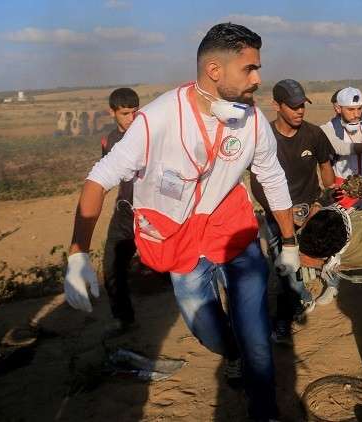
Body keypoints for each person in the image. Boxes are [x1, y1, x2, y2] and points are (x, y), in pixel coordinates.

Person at [62, 23, 297, 421]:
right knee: (207, 329)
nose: (258, 79)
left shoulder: (252, 121)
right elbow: (100, 178)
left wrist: (289, 243)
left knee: (256, 334)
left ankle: (265, 410)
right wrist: (77, 253)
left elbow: (271, 177)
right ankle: (232, 352)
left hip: (233, 233)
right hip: (180, 242)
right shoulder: (157, 120)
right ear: (214, 70)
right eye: (250, 69)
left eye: (259, 68)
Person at [249, 79, 336, 344]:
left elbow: (326, 170)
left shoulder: (313, 134)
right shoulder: (263, 140)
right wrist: (280, 215)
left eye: (302, 105)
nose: (300, 111)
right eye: (294, 106)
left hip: (311, 209)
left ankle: (326, 287)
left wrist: (321, 204)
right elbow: (257, 183)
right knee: (286, 270)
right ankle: (287, 317)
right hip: (277, 215)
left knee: (320, 256)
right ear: (276, 105)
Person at [100, 87, 140, 336]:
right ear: (112, 112)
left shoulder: (151, 134)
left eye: (135, 112)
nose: (131, 118)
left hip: (155, 211)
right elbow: (107, 175)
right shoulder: (109, 141)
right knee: (112, 265)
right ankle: (123, 318)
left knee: (171, 266)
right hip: (125, 211)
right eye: (125, 113)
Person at [320, 87, 362, 181]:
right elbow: (342, 148)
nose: (356, 114)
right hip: (344, 187)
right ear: (338, 108)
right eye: (351, 109)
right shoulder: (328, 128)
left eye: (359, 108)